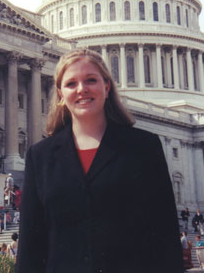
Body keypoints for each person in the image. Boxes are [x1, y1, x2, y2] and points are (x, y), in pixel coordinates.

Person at [16, 48, 184, 273]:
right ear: (60, 95)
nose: (82, 89)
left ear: (106, 87)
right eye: (71, 83)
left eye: (90, 80)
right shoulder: (40, 157)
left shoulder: (143, 147)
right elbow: (30, 246)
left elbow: (165, 235)